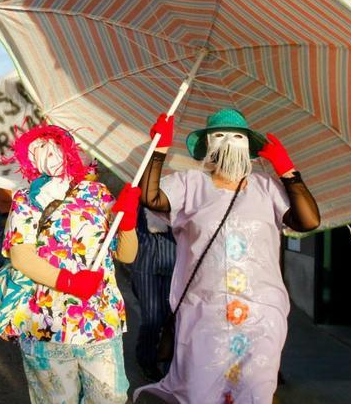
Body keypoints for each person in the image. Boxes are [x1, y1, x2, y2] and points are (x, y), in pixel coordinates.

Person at [135, 108, 320, 403]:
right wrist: (158, 149)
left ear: (248, 146)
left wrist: (287, 171)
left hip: (261, 316)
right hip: (204, 313)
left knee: (256, 391)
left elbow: (308, 221)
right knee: (201, 391)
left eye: (237, 136)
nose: (228, 141)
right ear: (208, 145)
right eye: (219, 135)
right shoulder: (189, 184)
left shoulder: (266, 187)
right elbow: (150, 197)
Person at [1, 123, 140, 404]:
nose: (48, 155)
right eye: (38, 150)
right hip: (45, 324)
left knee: (109, 398)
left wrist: (128, 224)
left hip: (100, 321)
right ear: (28, 159)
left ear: (68, 151)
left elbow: (127, 256)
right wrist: (70, 282)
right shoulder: (25, 200)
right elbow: (21, 255)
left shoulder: (97, 194)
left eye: (53, 147)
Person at [131, 207, 176, 382]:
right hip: (145, 264)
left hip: (173, 263)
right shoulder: (142, 194)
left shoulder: (181, 192)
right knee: (152, 319)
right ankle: (146, 361)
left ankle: (168, 362)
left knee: (170, 319)